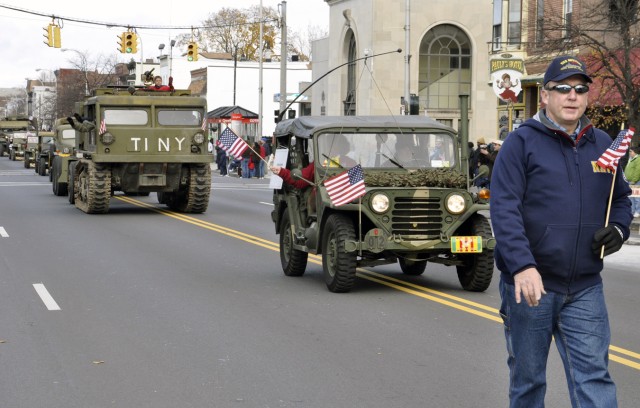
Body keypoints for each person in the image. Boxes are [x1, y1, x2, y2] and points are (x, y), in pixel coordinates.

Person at [490, 55, 633, 408]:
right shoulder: (520, 143)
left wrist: (618, 228)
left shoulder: (602, 144)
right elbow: (504, 210)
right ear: (545, 96)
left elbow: (621, 199)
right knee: (528, 382)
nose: (572, 96)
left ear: (587, 97)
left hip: (585, 286)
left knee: (595, 379)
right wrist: (523, 265)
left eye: (581, 89)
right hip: (531, 286)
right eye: (563, 88)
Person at [624, 146, 640, 217]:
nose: (629, 153)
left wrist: (634, 180)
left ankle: (638, 211)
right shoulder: (631, 159)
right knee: (631, 196)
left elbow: (637, 170)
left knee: (636, 197)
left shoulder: (638, 159)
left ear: (635, 152)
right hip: (629, 180)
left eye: (631, 151)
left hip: (635, 181)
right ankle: (632, 211)